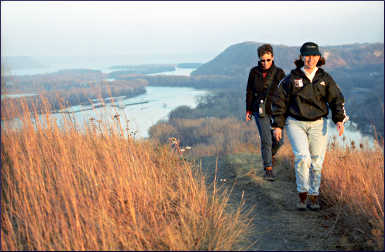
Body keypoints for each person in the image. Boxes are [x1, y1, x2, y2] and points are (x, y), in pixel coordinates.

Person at [271, 42, 349, 210]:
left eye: (314, 55)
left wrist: (339, 119)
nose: (310, 59)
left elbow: (336, 99)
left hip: (318, 123)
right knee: (302, 158)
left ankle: (314, 197)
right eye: (307, 55)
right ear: (301, 58)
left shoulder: (325, 78)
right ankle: (302, 196)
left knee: (317, 162)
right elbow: (279, 102)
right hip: (295, 122)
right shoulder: (291, 78)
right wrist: (277, 125)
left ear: (319, 58)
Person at [246, 44, 286, 181]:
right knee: (266, 140)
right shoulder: (253, 72)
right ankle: (268, 168)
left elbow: (285, 94)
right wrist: (249, 109)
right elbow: (249, 91)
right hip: (260, 110)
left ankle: (270, 155)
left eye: (268, 60)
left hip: (276, 110)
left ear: (272, 57)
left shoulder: (280, 73)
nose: (265, 63)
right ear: (259, 59)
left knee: (279, 141)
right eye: (262, 60)